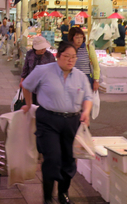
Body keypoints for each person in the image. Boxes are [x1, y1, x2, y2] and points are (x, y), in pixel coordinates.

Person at [22, 41, 93, 204]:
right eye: (66, 56)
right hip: (48, 120)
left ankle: (63, 194)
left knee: (69, 159)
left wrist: (86, 112)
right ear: (58, 56)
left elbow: (88, 97)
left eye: (73, 57)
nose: (70, 60)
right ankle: (47, 197)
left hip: (72, 121)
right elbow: (26, 85)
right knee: (53, 158)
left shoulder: (80, 76)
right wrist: (27, 104)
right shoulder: (43, 71)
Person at [20, 36, 55, 105]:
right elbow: (26, 67)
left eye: (44, 48)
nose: (43, 50)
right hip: (31, 85)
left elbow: (53, 71)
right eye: (41, 48)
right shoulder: (29, 54)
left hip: (44, 87)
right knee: (31, 105)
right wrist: (22, 79)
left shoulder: (49, 56)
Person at [68, 27, 100, 91]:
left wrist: (96, 80)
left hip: (86, 79)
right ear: (72, 38)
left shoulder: (89, 48)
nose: (79, 39)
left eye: (81, 37)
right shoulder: (68, 49)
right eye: (77, 37)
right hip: (71, 79)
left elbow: (96, 66)